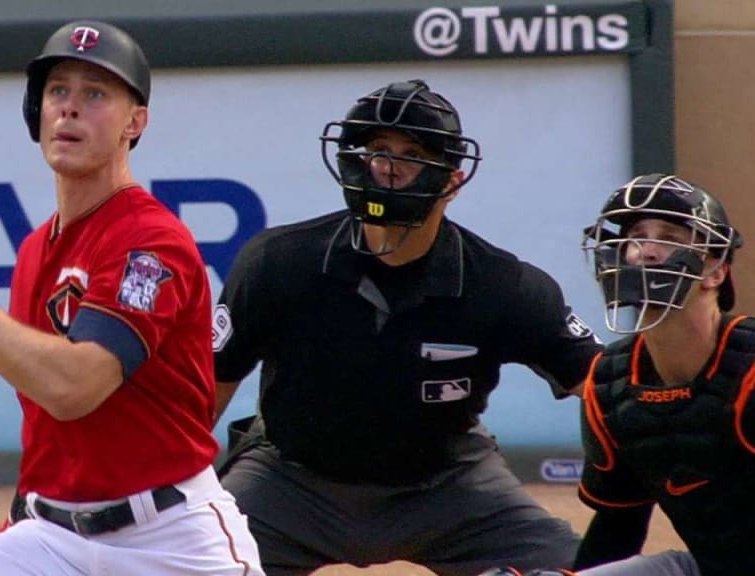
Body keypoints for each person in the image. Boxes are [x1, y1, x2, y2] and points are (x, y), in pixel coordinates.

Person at [0, 20, 264, 576]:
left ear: (136, 121)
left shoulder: (150, 240)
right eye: (58, 91)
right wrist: (22, 521)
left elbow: (75, 387)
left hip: (170, 540)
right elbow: (44, 415)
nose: (70, 109)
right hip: (52, 537)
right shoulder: (37, 248)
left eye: (96, 93)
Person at [211, 79, 603, 576]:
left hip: (448, 485)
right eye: (377, 150)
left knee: (586, 571)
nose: (387, 168)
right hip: (290, 481)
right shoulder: (277, 264)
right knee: (189, 563)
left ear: (453, 181)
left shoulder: (502, 284)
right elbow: (203, 396)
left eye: (411, 154)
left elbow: (602, 383)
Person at [574, 173, 750, 576]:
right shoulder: (610, 382)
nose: (645, 252)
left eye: (669, 237)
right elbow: (618, 525)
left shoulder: (749, 371)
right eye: (635, 236)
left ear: (716, 272)